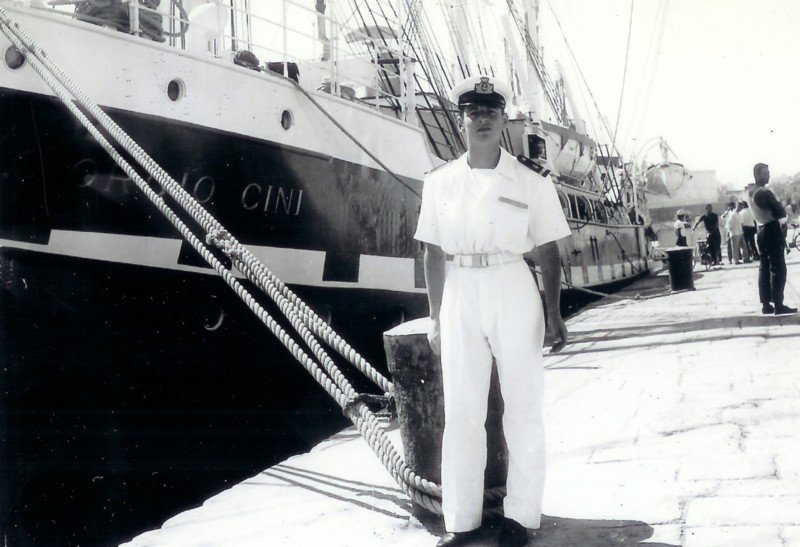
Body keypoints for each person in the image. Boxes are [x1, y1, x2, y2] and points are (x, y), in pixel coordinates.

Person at [414, 75, 570, 547]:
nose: (482, 119)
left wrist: (554, 313)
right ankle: (462, 521)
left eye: (491, 112)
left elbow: (548, 251)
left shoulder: (530, 182)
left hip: (511, 285)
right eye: (473, 112)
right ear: (461, 120)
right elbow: (431, 253)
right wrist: (437, 316)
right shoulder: (438, 182)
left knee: (523, 406)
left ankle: (521, 517)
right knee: (461, 410)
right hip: (461, 290)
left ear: (504, 120)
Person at [746, 163, 796, 315]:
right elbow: (780, 212)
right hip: (771, 229)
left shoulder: (749, 192)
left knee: (764, 268)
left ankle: (766, 304)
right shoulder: (764, 192)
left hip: (760, 230)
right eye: (765, 173)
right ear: (757, 175)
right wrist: (779, 205)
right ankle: (779, 305)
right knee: (778, 268)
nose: (768, 175)